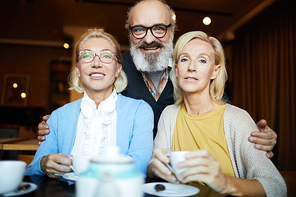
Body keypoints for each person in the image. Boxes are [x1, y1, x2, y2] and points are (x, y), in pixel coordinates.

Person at [37, 0, 277, 158]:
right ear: (130, 34)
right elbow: (92, 109)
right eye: (139, 29)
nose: (149, 38)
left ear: (172, 31)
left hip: (180, 174)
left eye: (159, 29)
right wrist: (55, 128)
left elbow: (219, 111)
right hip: (125, 174)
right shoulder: (115, 66)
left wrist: (253, 138)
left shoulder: (189, 67)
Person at [147, 31, 286, 196]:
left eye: (202, 61)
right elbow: (154, 166)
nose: (191, 67)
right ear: (177, 70)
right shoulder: (169, 115)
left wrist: (225, 182)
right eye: (184, 59)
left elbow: (277, 186)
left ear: (215, 71)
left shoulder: (237, 119)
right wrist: (154, 168)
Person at [25, 28, 154, 178]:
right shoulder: (58, 116)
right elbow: (31, 170)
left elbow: (139, 168)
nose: (96, 63)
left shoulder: (139, 111)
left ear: (118, 69)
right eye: (87, 56)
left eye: (106, 56)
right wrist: (43, 164)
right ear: (78, 70)